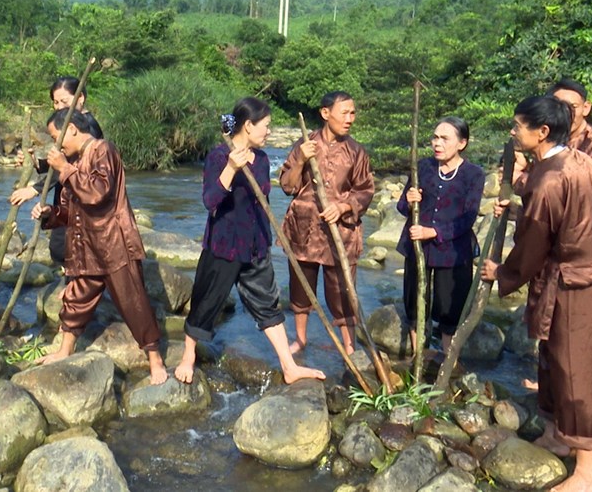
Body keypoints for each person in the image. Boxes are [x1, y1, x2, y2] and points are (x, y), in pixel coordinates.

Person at [480, 95, 592, 492]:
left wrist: (503, 272)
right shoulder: (575, 160)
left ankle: (589, 473)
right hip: (576, 272)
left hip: (581, 280)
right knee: (552, 356)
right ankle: (557, 434)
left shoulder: (552, 176)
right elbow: (558, 217)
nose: (514, 132)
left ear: (542, 131)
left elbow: (535, 241)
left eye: (518, 126)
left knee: (577, 368)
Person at [175, 98, 326, 385]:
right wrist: (231, 169)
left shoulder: (264, 159)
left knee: (268, 304)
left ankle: (289, 366)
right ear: (247, 126)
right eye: (266, 126)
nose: (269, 131)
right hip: (223, 245)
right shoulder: (220, 156)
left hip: (256, 245)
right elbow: (210, 201)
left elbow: (263, 200)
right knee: (206, 300)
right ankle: (188, 356)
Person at [30, 109, 167, 384]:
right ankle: (65, 349)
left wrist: (63, 168)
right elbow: (69, 211)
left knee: (134, 301)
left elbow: (97, 192)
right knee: (77, 297)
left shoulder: (104, 150)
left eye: (57, 137)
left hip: (115, 244)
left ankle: (156, 360)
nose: (56, 145)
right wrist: (49, 214)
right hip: (86, 247)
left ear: (72, 129)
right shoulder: (75, 160)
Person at [279, 91, 374, 356]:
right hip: (304, 227)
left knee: (342, 289)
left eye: (353, 112)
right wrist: (300, 158)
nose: (350, 118)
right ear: (325, 113)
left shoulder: (356, 151)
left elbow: (365, 190)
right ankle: (300, 338)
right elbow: (287, 185)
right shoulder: (305, 144)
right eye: (344, 112)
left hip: (340, 230)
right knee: (301, 284)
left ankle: (349, 345)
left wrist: (344, 206)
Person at [396, 116, 484, 353]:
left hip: (453, 250)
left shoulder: (473, 174)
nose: (437, 143)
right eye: (435, 137)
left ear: (462, 143)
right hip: (417, 246)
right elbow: (402, 208)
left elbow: (469, 216)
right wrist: (410, 200)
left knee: (450, 308)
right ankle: (418, 357)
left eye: (445, 138)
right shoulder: (422, 167)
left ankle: (448, 362)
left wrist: (434, 232)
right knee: (415, 302)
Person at [10, 76, 104, 264]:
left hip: (80, 199)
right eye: (55, 102)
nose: (60, 107)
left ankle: (76, 287)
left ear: (80, 99)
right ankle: (72, 284)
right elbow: (61, 160)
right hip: (67, 197)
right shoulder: (70, 123)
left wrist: (35, 189)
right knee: (61, 247)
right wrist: (38, 163)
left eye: (65, 101)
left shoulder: (87, 128)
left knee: (68, 248)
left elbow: (66, 163)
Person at [515, 78, 592, 212]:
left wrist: (520, 179)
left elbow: (571, 190)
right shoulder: (551, 139)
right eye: (560, 107)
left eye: (572, 107)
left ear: (586, 108)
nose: (567, 113)